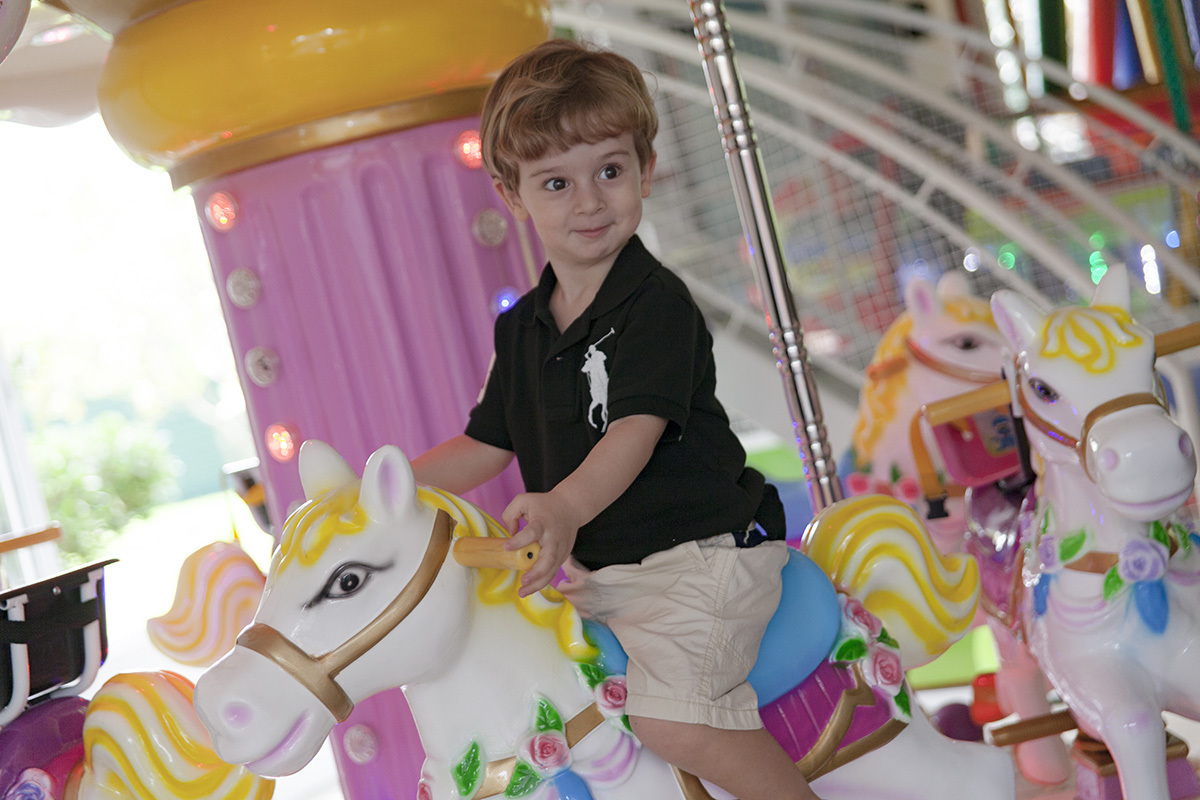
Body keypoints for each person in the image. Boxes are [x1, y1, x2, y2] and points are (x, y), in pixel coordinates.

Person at [412, 38, 820, 800]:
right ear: (512, 195)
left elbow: (635, 431)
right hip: (608, 578)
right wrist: (385, 491)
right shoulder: (522, 328)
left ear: (646, 171)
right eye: (556, 183)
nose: (589, 201)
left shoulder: (656, 304)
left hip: (702, 560)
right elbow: (483, 444)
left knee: (673, 723)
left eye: (609, 171)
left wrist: (564, 506)